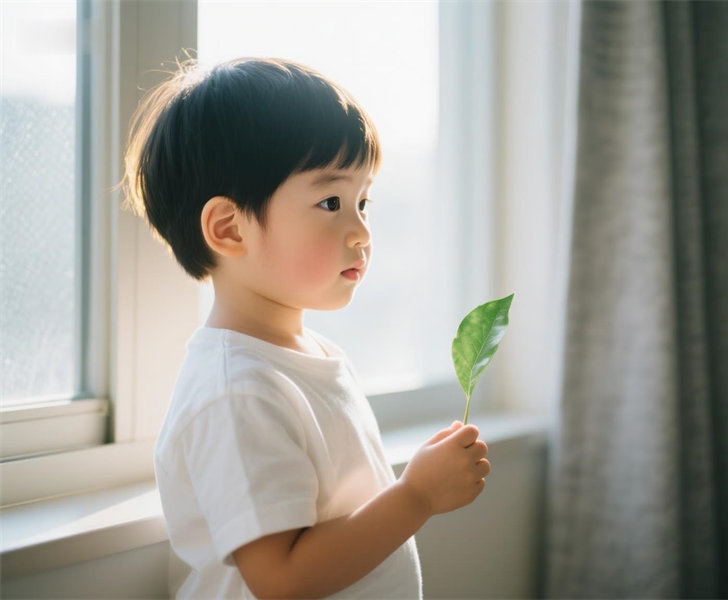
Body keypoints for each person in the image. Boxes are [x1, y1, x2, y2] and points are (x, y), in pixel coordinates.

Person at [123, 57, 490, 599]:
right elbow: (282, 579)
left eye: (364, 202)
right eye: (331, 202)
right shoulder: (237, 390)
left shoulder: (305, 355)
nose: (362, 231)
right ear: (229, 229)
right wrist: (416, 495)